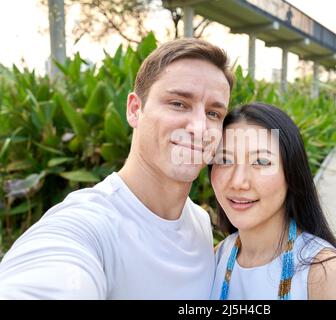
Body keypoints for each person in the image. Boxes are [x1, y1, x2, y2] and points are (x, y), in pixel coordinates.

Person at [0, 38, 234, 299]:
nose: (199, 128)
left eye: (214, 114)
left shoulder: (200, 223)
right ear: (135, 109)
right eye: (178, 103)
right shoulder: (87, 225)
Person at [209, 103, 336, 300]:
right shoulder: (218, 256)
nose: (238, 182)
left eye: (262, 162)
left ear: (291, 173)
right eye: (224, 160)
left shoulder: (331, 276)